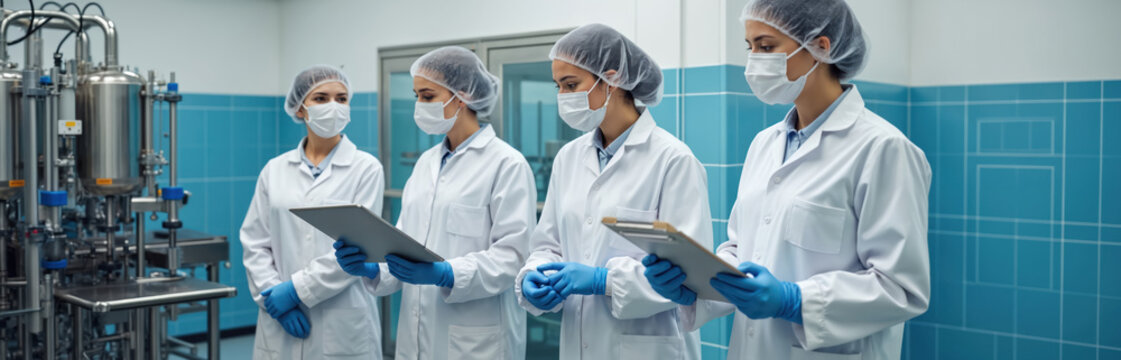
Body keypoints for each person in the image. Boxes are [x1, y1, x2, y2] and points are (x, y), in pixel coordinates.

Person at [642, 0, 932, 358]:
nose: (753, 62)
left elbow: (901, 288)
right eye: (750, 48)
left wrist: (795, 301)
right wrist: (694, 286)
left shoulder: (884, 149)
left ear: (820, 48)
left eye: (766, 47)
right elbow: (742, 249)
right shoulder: (764, 144)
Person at [515, 24, 712, 359]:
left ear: (612, 79)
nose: (563, 97)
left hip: (649, 344)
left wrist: (602, 280)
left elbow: (690, 278)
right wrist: (533, 275)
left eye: (571, 85)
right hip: (579, 341)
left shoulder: (673, 160)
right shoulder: (569, 157)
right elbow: (548, 243)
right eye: (559, 87)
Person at [332, 46, 537, 360]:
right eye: (416, 96)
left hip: (475, 341)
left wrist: (447, 273)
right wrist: (374, 267)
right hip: (415, 338)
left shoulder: (506, 164)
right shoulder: (426, 163)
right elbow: (403, 242)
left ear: (464, 95)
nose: (419, 106)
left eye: (427, 96)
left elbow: (512, 257)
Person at [240, 65, 385, 359]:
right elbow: (255, 241)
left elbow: (354, 248)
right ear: (301, 109)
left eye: (341, 99)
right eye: (321, 98)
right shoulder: (275, 169)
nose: (333, 106)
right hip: (279, 317)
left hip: (342, 320)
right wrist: (272, 297)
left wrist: (295, 291)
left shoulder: (366, 168)